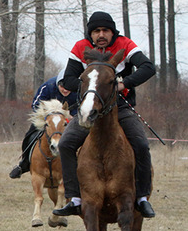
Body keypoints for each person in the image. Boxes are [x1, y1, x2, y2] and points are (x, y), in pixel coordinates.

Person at [52, 11, 157, 219]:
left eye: (105, 31)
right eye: (96, 31)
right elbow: (68, 79)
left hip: (121, 108)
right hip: (90, 108)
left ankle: (142, 198)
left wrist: (124, 83)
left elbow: (148, 68)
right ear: (90, 34)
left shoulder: (125, 45)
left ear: (112, 32)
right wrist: (91, 89)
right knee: (65, 144)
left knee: (142, 145)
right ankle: (74, 199)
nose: (101, 35)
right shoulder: (80, 48)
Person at [8, 72, 79, 179]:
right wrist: (48, 115)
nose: (65, 90)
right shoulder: (48, 86)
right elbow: (36, 104)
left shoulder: (78, 90)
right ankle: (24, 163)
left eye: (68, 88)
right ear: (57, 84)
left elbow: (82, 106)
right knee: (29, 135)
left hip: (69, 119)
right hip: (47, 118)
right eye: (62, 87)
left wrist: (72, 116)